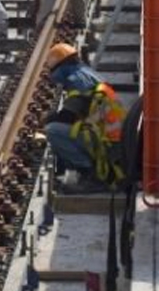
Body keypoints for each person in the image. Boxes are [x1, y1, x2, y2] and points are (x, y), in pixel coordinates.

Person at [43, 43, 127, 193]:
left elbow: (67, 117)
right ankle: (90, 172)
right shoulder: (87, 74)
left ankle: (91, 176)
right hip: (116, 140)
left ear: (60, 67)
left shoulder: (77, 80)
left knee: (53, 130)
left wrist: (48, 119)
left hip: (109, 145)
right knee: (66, 128)